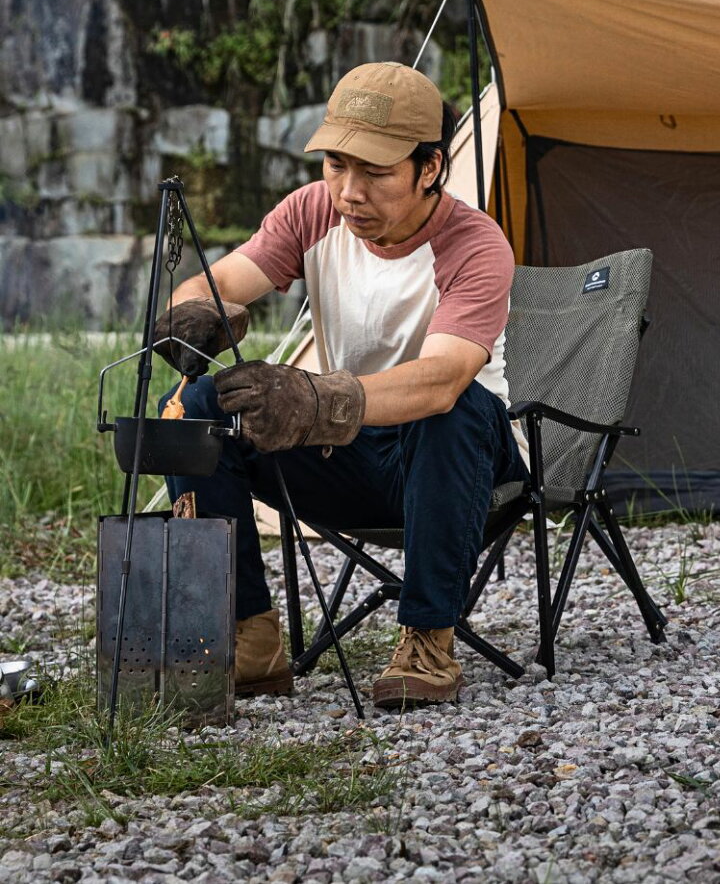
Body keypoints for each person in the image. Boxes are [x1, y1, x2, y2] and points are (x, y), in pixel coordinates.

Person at [153, 61, 525, 710]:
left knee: (457, 407)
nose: (349, 191)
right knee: (200, 407)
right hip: (348, 457)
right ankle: (248, 637)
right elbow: (216, 282)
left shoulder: (475, 243)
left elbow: (441, 379)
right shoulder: (313, 210)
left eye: (375, 172)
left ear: (430, 167)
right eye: (335, 165)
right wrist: (201, 311)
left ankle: (429, 638)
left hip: (456, 464)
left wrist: (317, 398)